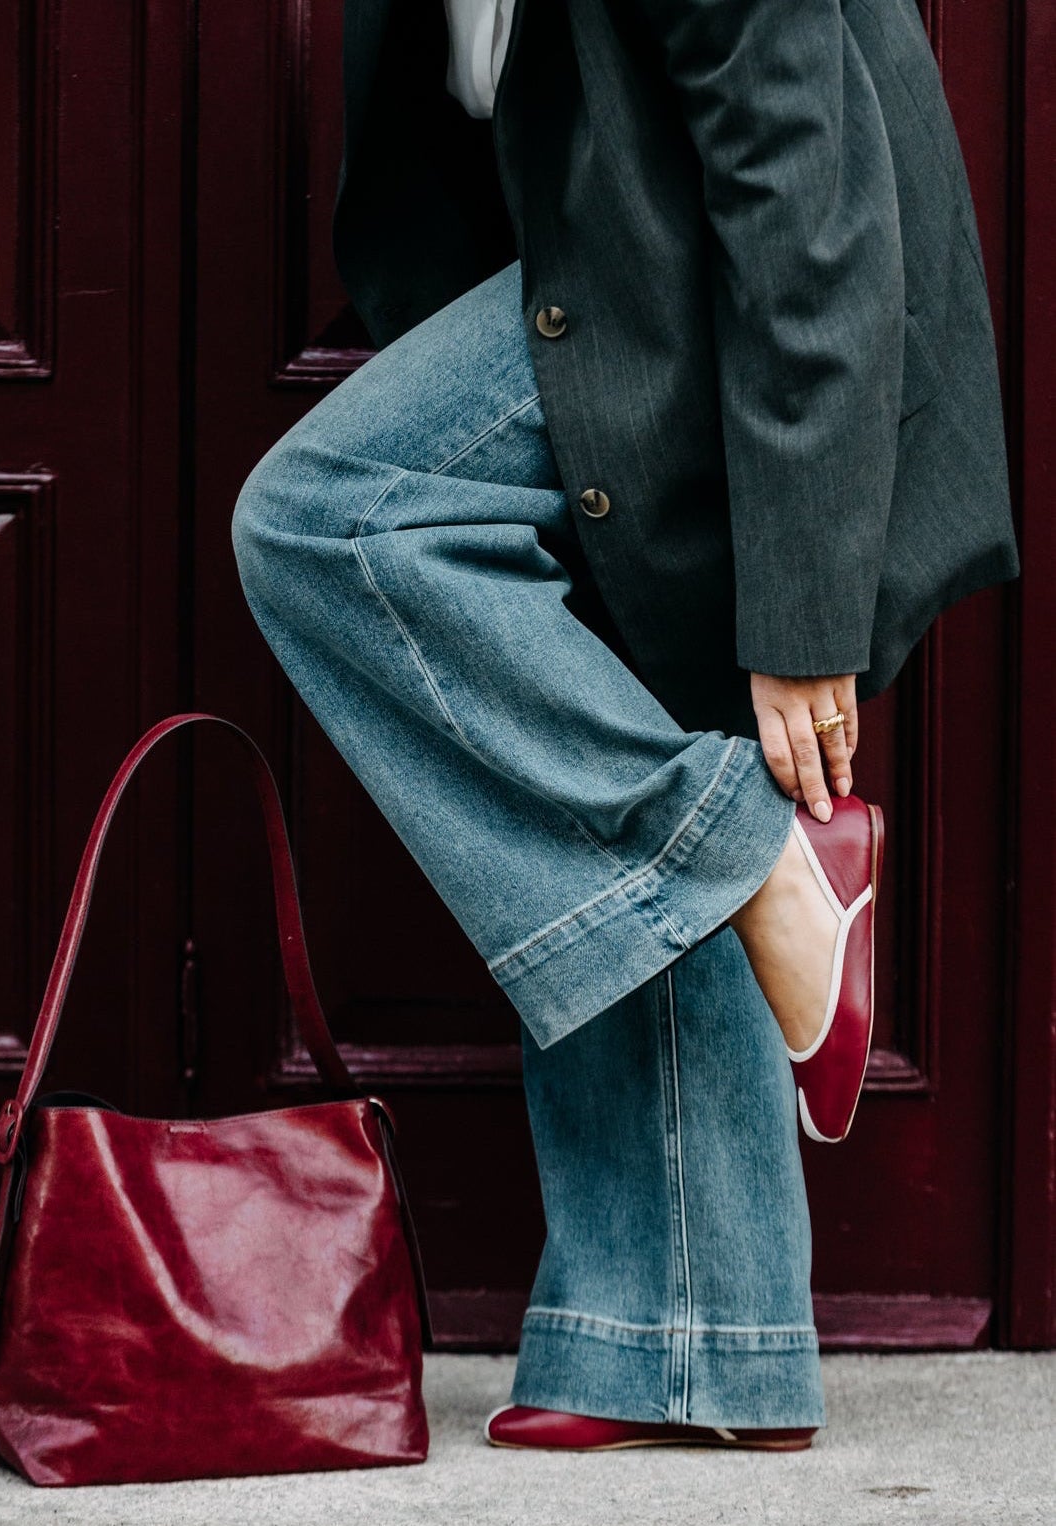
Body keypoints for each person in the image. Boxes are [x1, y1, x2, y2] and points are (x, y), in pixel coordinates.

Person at [230, 0, 1018, 1456]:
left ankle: (757, 860)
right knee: (597, 729)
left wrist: (803, 603)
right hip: (594, 279)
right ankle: (687, 1345)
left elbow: (810, 196)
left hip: (770, 304)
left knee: (323, 519)